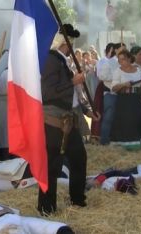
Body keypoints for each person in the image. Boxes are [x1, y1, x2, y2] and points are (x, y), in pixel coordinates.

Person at [39, 25, 100, 215]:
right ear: (64, 44)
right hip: (54, 122)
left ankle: (77, 200)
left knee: (78, 158)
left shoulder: (61, 61)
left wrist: (87, 111)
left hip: (68, 119)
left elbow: (72, 95)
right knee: (52, 166)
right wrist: (73, 81)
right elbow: (48, 92)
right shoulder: (51, 60)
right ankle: (47, 208)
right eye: (70, 43)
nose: (72, 46)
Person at [109, 50, 141, 149]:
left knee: (137, 119)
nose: (121, 62)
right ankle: (125, 144)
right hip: (124, 100)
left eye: (123, 59)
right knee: (127, 120)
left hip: (136, 99)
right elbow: (113, 88)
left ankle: (137, 142)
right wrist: (124, 84)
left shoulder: (138, 70)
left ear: (129, 59)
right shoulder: (118, 71)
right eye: (119, 60)